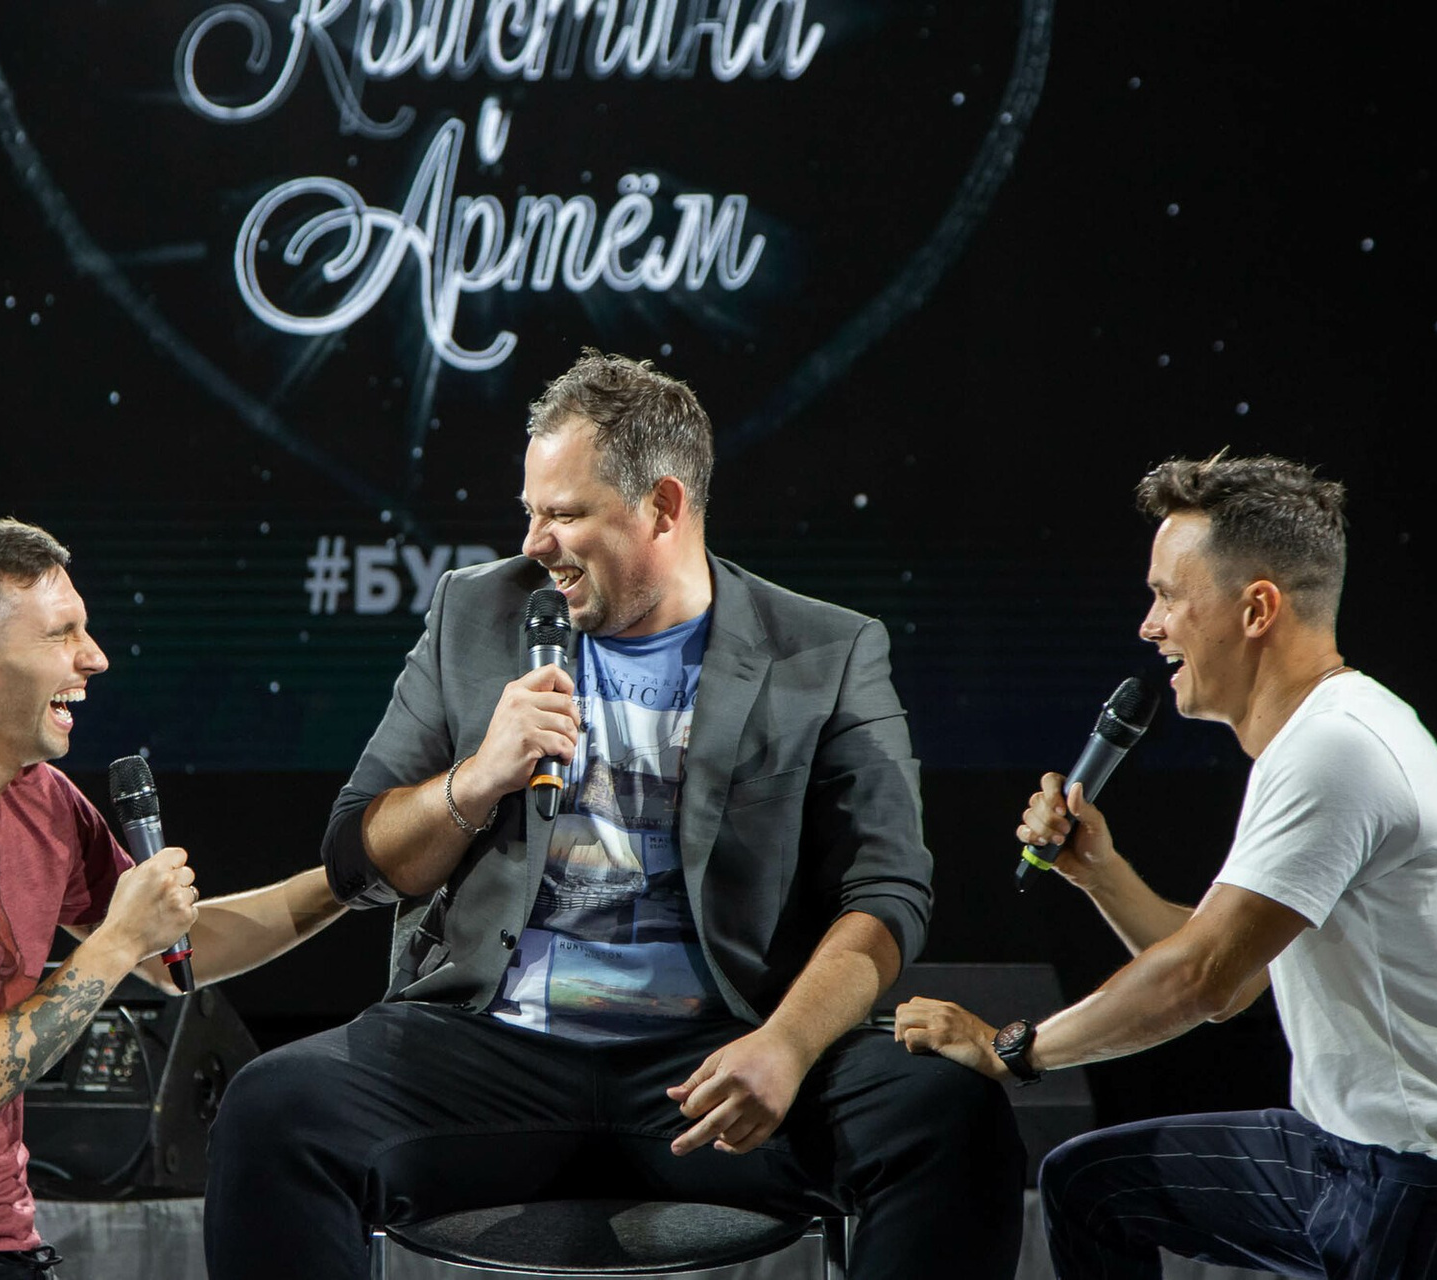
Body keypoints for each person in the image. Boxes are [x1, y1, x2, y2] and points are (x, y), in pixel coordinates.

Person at [202, 350, 1025, 1279]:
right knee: (274, 1111)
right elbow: (358, 858)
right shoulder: (475, 614)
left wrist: (787, 1047)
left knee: (946, 1116)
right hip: (490, 1048)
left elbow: (888, 894)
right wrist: (475, 781)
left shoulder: (826, 651)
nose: (533, 544)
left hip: (721, 1050)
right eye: (530, 512)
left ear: (663, 507)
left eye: (563, 515)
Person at [894, 453, 1437, 1279]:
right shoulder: (1317, 735)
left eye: (1167, 596)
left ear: (1256, 609)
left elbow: (1202, 980)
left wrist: (1011, 1049)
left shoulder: (1335, 750)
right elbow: (1239, 975)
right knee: (1094, 1186)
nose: (1149, 626)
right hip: (1351, 1158)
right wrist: (1099, 871)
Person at [0, 517, 345, 1279]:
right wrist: (116, 941)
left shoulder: (41, 800)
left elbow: (172, 953)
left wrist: (353, 880)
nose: (94, 656)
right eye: (60, 634)